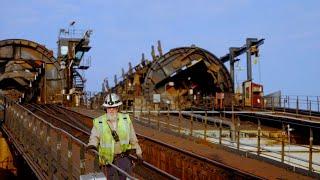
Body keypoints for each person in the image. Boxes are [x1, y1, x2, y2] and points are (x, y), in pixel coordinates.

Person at [87, 93, 142, 179]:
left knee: (125, 178)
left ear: (118, 108)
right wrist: (92, 145)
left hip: (123, 158)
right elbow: (94, 136)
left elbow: (133, 138)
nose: (111, 110)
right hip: (107, 160)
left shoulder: (125, 119)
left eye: (114, 107)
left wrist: (138, 152)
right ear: (106, 108)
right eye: (109, 108)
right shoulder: (99, 122)